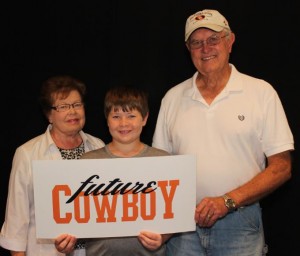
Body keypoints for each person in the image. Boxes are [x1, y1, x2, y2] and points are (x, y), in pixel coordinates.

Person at [152, 9, 294, 256]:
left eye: (213, 39)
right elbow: (160, 168)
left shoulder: (261, 93)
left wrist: (228, 201)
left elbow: (282, 167)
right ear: (188, 49)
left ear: (230, 41)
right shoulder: (172, 98)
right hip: (182, 226)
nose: (205, 48)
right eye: (196, 43)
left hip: (240, 223)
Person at [55, 86, 172, 256]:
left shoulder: (163, 161)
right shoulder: (87, 163)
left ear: (145, 118)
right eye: (116, 116)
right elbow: (75, 219)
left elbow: (174, 217)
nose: (123, 123)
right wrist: (66, 241)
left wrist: (163, 237)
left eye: (131, 116)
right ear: (107, 120)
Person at [0, 75, 105, 256]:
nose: (72, 112)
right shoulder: (27, 154)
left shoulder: (99, 147)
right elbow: (16, 225)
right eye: (63, 107)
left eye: (77, 104)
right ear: (49, 115)